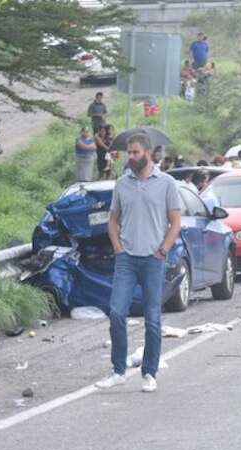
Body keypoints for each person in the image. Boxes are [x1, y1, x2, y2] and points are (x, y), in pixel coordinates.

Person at [94, 133, 183, 393]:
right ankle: (118, 370)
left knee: (153, 318)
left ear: (147, 152)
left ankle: (149, 373)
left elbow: (175, 221)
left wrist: (163, 249)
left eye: (134, 153)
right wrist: (118, 248)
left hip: (154, 260)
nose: (130, 157)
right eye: (129, 153)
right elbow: (113, 220)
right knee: (117, 312)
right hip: (127, 259)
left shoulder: (166, 183)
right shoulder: (122, 184)